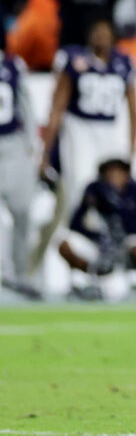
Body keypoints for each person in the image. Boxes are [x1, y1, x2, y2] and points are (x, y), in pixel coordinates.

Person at [37, 19, 136, 264]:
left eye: (106, 33)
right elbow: (57, 107)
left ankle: (108, 255)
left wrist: (131, 152)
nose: (101, 38)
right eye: (97, 32)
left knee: (113, 194)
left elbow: (134, 112)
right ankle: (77, 254)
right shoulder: (75, 61)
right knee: (81, 192)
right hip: (79, 129)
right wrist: (45, 151)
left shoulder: (124, 63)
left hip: (110, 130)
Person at [57, 158, 136, 301]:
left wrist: (115, 204)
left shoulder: (135, 193)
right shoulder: (95, 190)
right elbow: (75, 223)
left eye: (118, 173)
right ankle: (86, 278)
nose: (114, 177)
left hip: (121, 249)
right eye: (110, 173)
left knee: (117, 292)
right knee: (64, 241)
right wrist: (95, 233)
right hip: (99, 246)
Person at [0, 50, 41, 300]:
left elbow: (26, 106)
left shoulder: (14, 65)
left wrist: (32, 145)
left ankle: (22, 274)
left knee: (23, 211)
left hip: (13, 144)